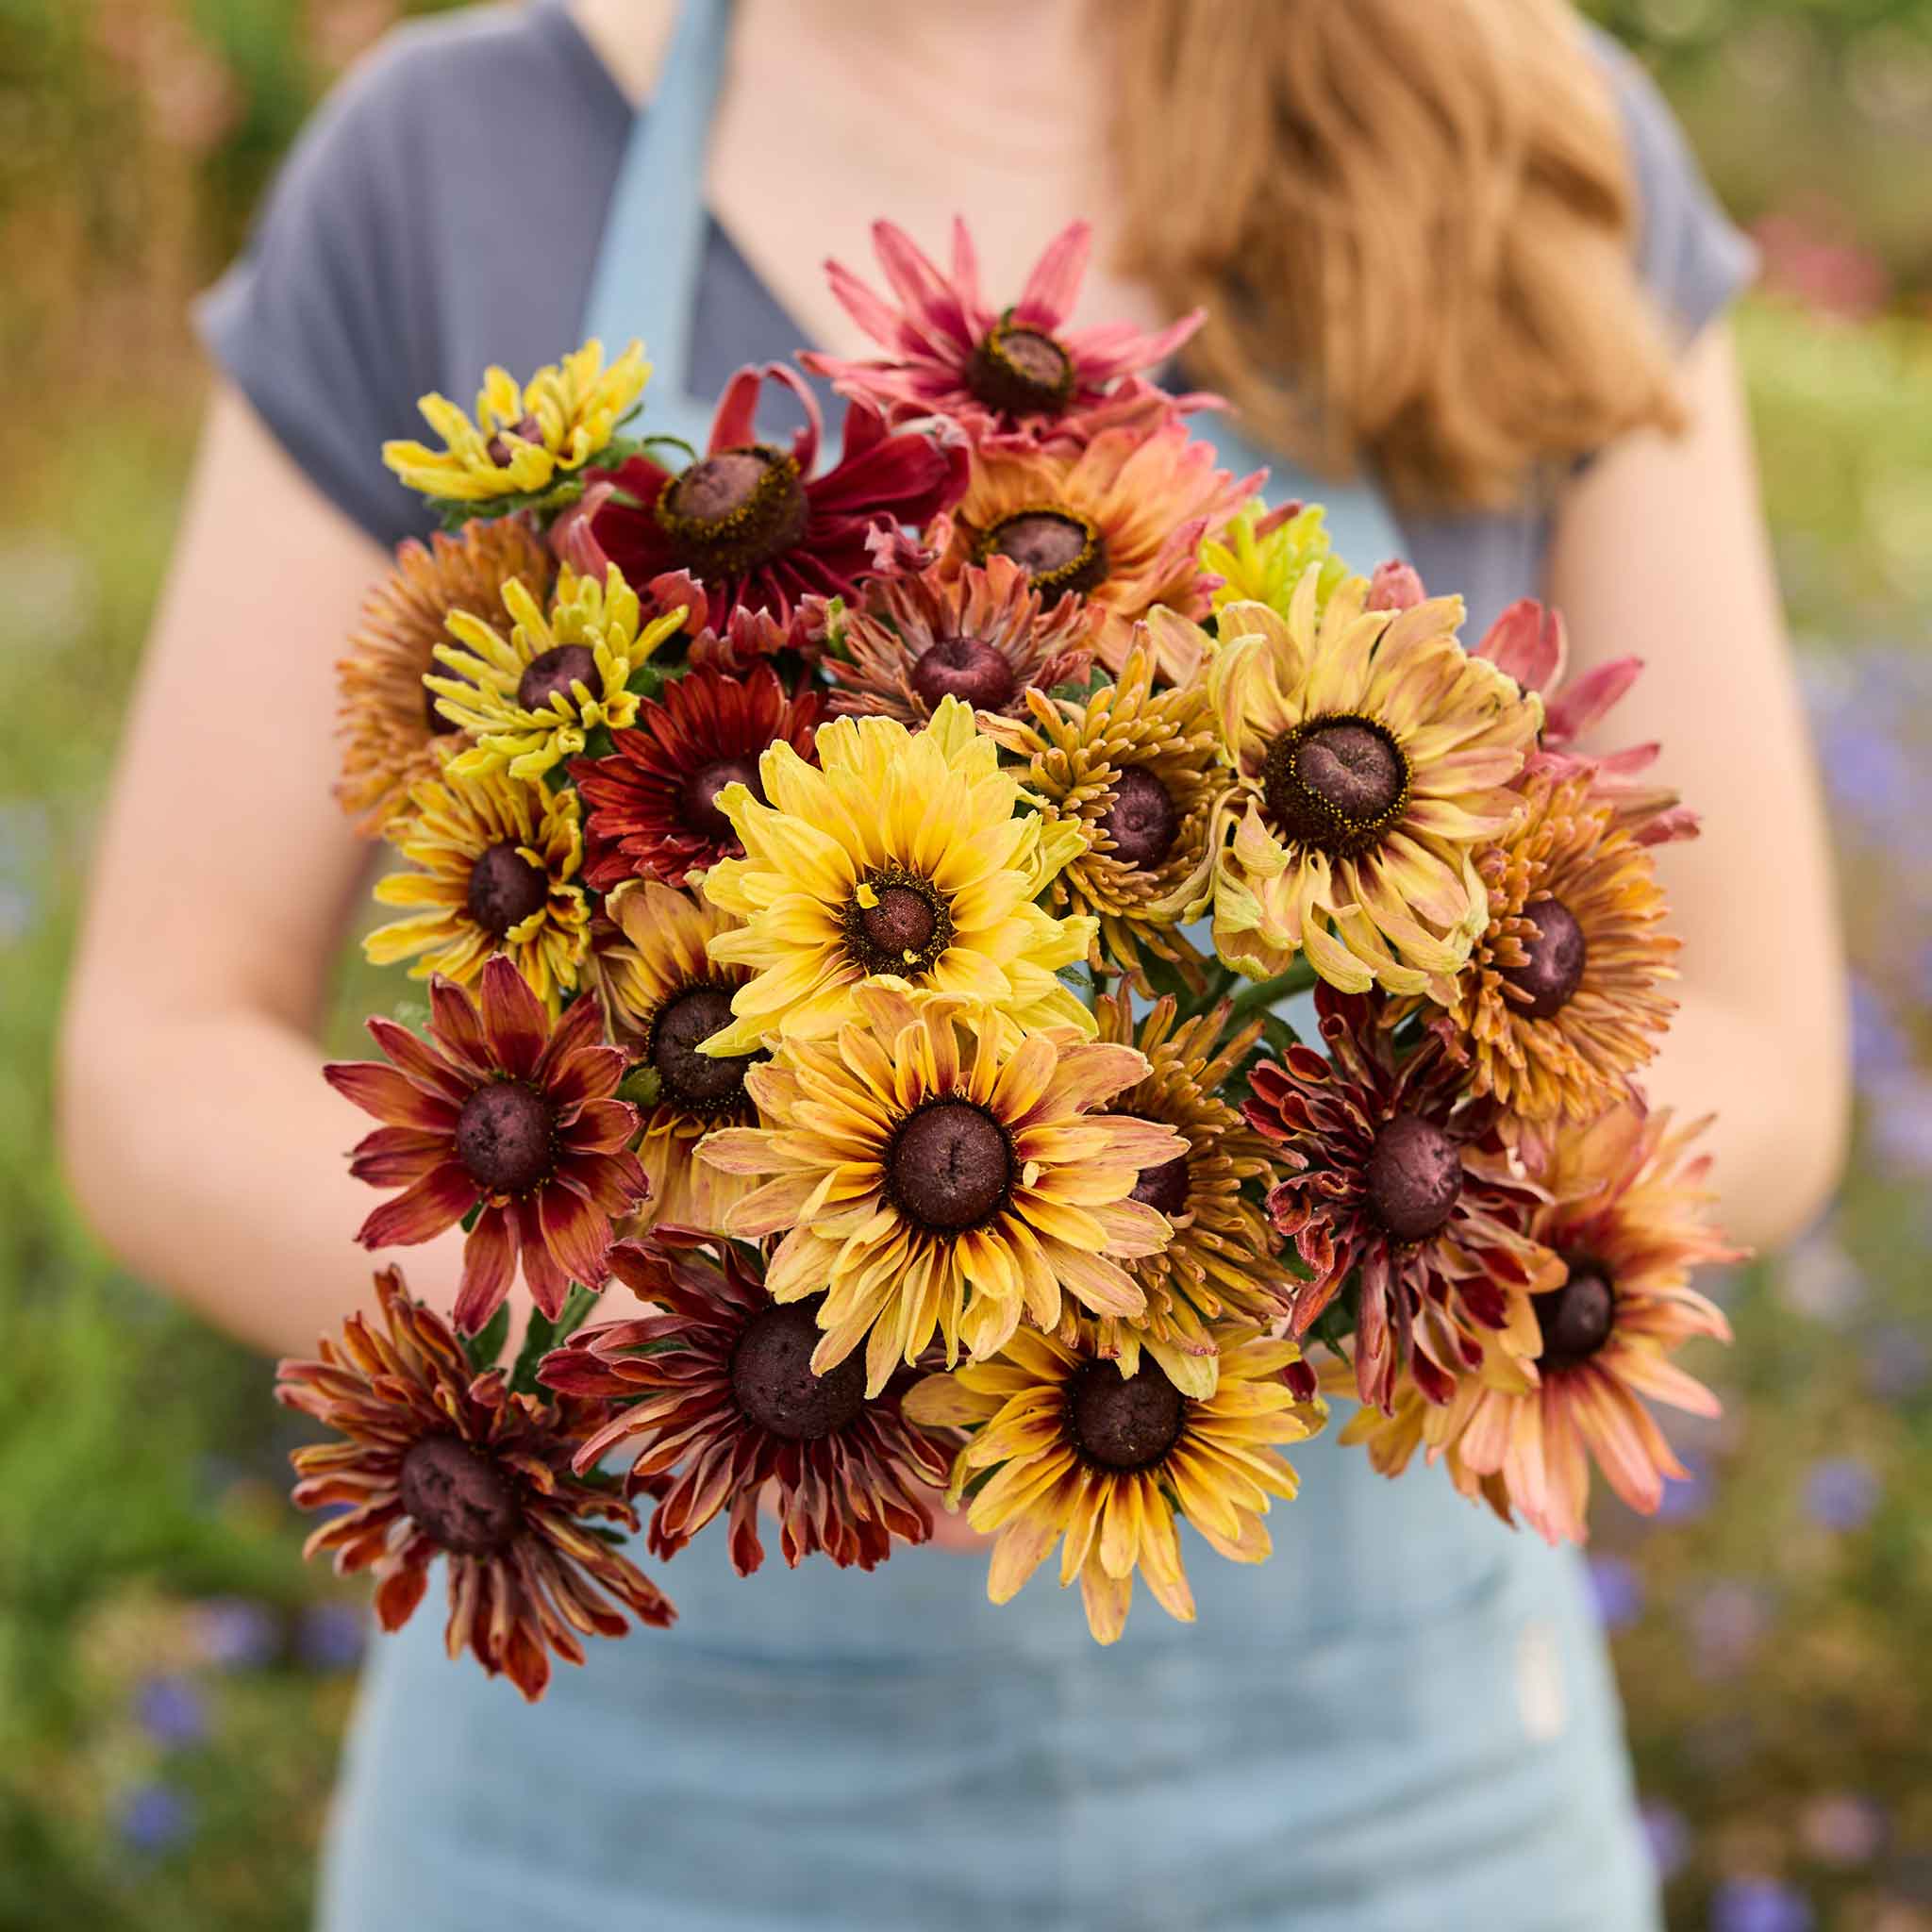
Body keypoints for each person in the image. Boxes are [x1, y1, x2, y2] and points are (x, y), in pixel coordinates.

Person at [57, 1, 1848, 1926]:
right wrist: (692, 1323)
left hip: (1388, 1817)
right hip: (625, 1834)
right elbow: (153, 1062)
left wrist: (1308, 1253)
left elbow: (1759, 1047)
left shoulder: (1523, 123)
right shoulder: (456, 154)